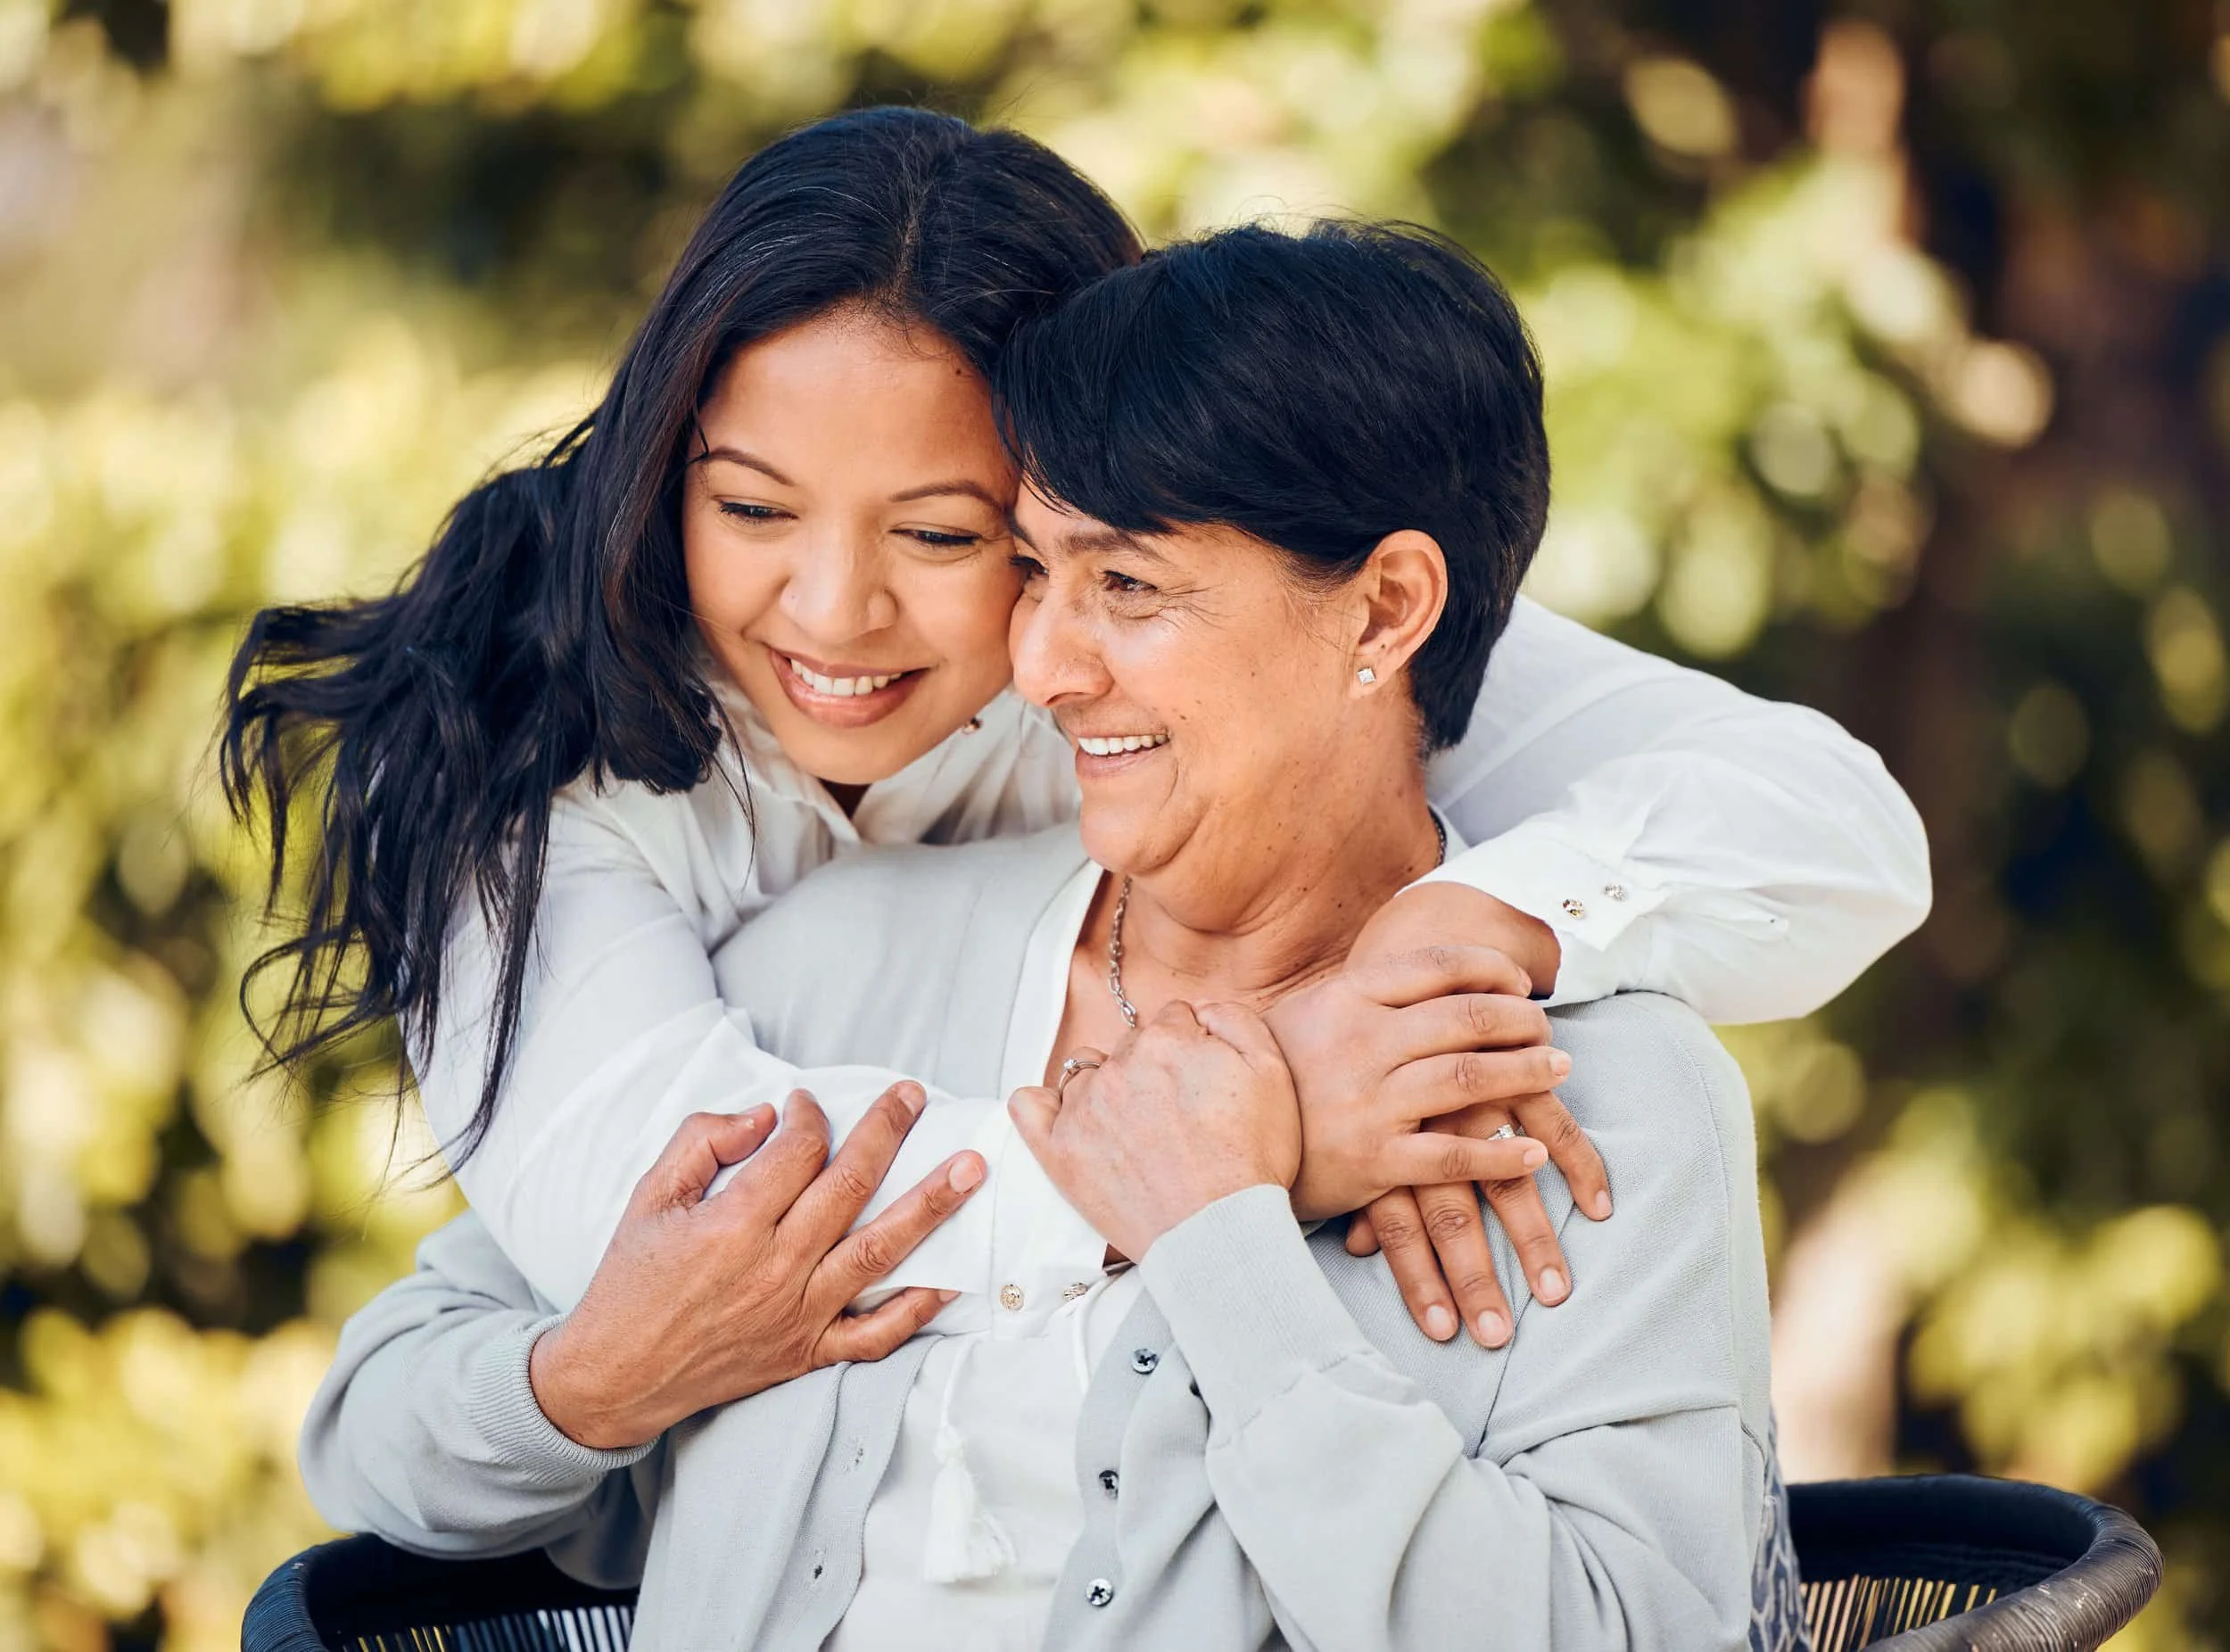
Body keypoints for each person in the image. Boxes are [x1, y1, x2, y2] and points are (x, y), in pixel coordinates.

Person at [302, 220, 1821, 1652]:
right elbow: (381, 1432)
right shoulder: (829, 963)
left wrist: (1229, 1255)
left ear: (1385, 612)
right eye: (1036, 569)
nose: (1042, 662)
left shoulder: (1587, 1100)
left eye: (1130, 588)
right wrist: (593, 1386)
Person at [225, 107, 1926, 1379]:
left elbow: (1833, 830)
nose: (831, 611)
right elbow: (651, 1232)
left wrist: (1464, 934)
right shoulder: (528, 750)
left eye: (948, 535)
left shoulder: (1162, 647)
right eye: (749, 506)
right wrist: (1258, 1148)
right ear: (663, 464)